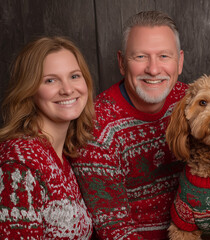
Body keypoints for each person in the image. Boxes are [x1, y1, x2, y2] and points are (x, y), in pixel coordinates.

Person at [70, 11, 187, 239]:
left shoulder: (194, 102)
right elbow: (114, 227)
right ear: (122, 63)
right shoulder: (96, 127)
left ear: (180, 61)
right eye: (140, 57)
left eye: (164, 56)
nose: (153, 70)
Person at [0, 36, 94, 239]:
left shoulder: (63, 157)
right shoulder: (19, 163)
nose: (68, 89)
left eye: (75, 76)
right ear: (30, 89)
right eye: (50, 80)